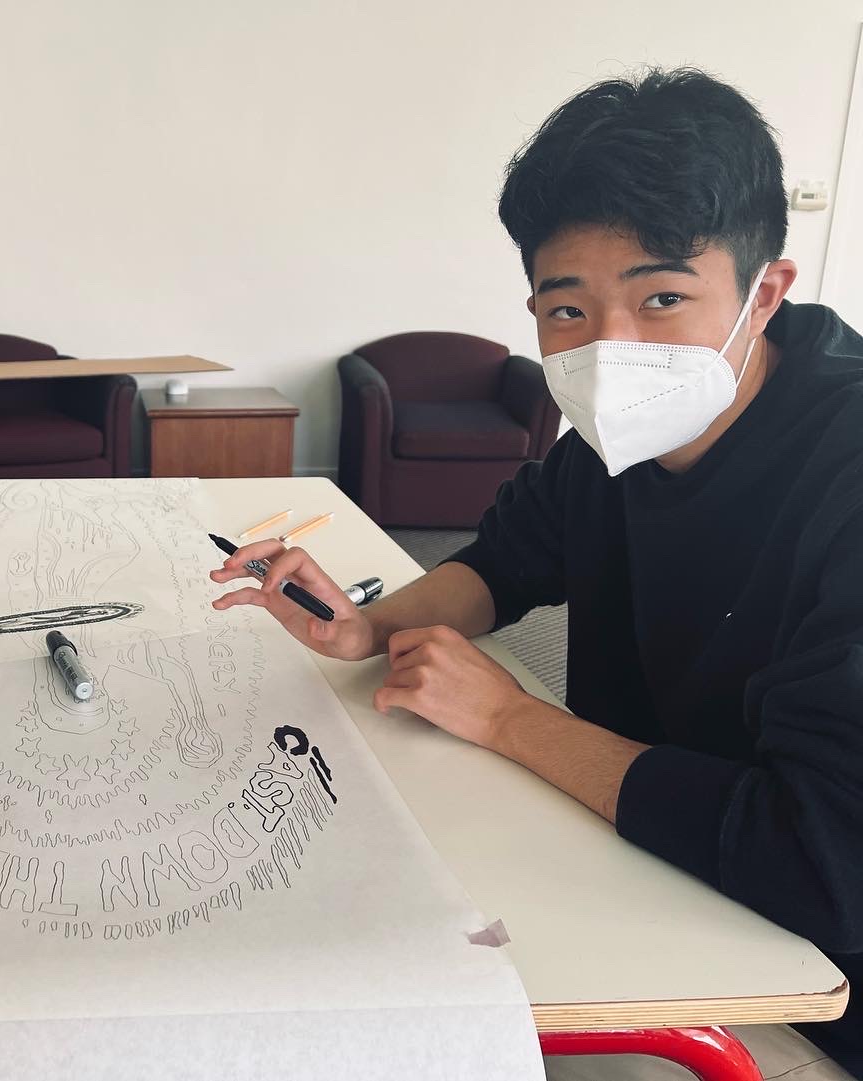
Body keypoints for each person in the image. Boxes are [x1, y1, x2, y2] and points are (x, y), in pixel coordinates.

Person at [213, 69, 863, 1074]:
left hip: (800, 981)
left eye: (662, 298)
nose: (611, 348)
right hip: (644, 868)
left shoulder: (844, 471)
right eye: (567, 310)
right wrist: (366, 625)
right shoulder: (608, 444)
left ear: (763, 292)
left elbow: (823, 860)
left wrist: (510, 719)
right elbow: (503, 562)